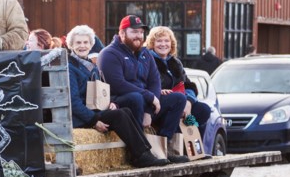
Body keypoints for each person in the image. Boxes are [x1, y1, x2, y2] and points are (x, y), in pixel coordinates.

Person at [66, 25, 168, 168]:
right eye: (78, 43)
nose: (82, 46)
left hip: (94, 110)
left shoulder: (90, 66)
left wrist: (109, 103)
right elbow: (73, 102)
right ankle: (140, 155)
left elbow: (99, 93)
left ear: (91, 44)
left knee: (124, 110)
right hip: (81, 117)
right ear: (71, 45)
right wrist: (94, 120)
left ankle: (146, 152)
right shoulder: (70, 67)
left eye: (85, 42)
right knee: (119, 115)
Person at [98, 14, 189, 162]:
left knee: (179, 99)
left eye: (141, 32)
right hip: (120, 101)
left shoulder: (145, 53)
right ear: (122, 33)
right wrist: (150, 97)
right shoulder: (109, 54)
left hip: (144, 101)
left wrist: (149, 110)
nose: (138, 35)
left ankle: (163, 149)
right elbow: (118, 84)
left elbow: (155, 82)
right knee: (136, 97)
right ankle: (140, 154)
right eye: (134, 32)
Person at [145, 26, 212, 137]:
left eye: (166, 41)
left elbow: (188, 85)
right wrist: (159, 90)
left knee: (203, 109)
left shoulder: (175, 62)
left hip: (180, 101)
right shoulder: (146, 60)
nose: (163, 44)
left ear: (171, 44)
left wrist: (189, 102)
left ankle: (194, 147)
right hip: (157, 103)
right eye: (159, 41)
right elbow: (142, 83)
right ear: (152, 43)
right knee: (177, 99)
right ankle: (167, 141)